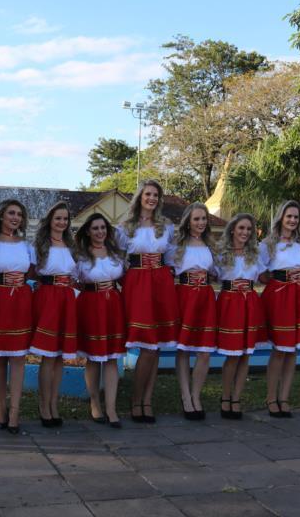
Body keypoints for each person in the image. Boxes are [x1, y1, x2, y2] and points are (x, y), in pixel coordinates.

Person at [116, 179, 177, 423]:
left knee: (157, 344)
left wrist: (169, 274)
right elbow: (118, 257)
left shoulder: (166, 226)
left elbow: (172, 255)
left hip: (161, 281)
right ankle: (136, 400)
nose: (152, 198)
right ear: (140, 196)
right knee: (147, 344)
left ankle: (147, 401)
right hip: (138, 282)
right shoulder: (125, 226)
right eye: (148, 194)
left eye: (156, 195)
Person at [0, 200, 35, 434]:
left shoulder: (26, 245)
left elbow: (34, 270)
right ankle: (1, 407)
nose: (15, 217)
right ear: (1, 216)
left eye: (19, 214)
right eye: (11, 213)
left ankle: (15, 411)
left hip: (21, 300)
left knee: (18, 357)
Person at [75, 213, 126, 428]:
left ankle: (112, 407)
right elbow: (71, 281)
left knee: (113, 358)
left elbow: (124, 278)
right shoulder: (80, 255)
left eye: (103, 228)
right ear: (88, 231)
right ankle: (95, 403)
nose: (100, 232)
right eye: (95, 228)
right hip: (91, 305)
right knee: (94, 358)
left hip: (113, 304)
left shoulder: (116, 254)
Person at [29, 201, 77, 427]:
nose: (62, 222)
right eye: (58, 218)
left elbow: (76, 273)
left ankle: (54, 403)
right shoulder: (39, 244)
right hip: (48, 297)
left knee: (59, 356)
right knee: (48, 355)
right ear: (50, 219)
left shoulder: (71, 244)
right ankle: (43, 404)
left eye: (65, 219)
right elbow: (30, 271)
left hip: (66, 297)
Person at [215, 214, 267, 420]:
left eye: (249, 229)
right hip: (229, 301)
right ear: (232, 230)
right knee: (232, 354)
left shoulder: (255, 254)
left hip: (250, 302)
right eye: (241, 228)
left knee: (246, 353)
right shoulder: (221, 253)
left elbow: (265, 276)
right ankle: (225, 397)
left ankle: (236, 398)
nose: (245, 232)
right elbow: (211, 273)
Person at [260, 200, 300, 418]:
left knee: (293, 349)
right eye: (289, 216)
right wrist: (279, 280)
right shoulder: (268, 244)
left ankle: (285, 397)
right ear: (281, 217)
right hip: (279, 296)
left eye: (296, 217)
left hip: (298, 296)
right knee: (279, 349)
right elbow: (260, 273)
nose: (292, 220)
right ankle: (271, 397)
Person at [171, 202, 217, 420]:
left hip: (206, 296)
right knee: (183, 348)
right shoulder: (177, 245)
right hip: (185, 294)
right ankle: (185, 396)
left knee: (205, 350)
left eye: (204, 219)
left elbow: (218, 271)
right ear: (188, 222)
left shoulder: (210, 244)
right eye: (196, 219)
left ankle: (196, 395)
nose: (201, 223)